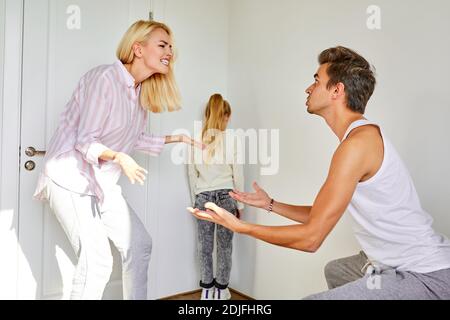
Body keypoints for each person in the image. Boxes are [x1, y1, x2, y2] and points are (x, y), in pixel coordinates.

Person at [188, 46, 450, 299]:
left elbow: (312, 239)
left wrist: (241, 226)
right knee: (336, 270)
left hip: (424, 274)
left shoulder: (357, 145)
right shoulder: (355, 140)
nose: (308, 88)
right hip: (390, 263)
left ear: (337, 90)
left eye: (316, 80)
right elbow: (318, 216)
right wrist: (270, 204)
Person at [33, 20, 203, 300]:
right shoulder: (105, 79)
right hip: (70, 177)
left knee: (139, 245)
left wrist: (180, 139)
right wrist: (119, 157)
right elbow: (86, 140)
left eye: (171, 47)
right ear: (138, 49)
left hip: (100, 182)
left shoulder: (138, 91)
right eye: (162, 45)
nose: (170, 52)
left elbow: (133, 139)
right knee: (97, 263)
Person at [188, 94, 244, 300]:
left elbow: (191, 173)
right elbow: (237, 173)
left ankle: (206, 290)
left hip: (203, 197)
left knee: (204, 246)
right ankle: (221, 291)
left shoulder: (194, 139)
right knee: (224, 246)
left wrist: (196, 197)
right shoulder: (232, 139)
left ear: (206, 114)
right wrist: (240, 205)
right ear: (226, 116)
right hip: (226, 197)